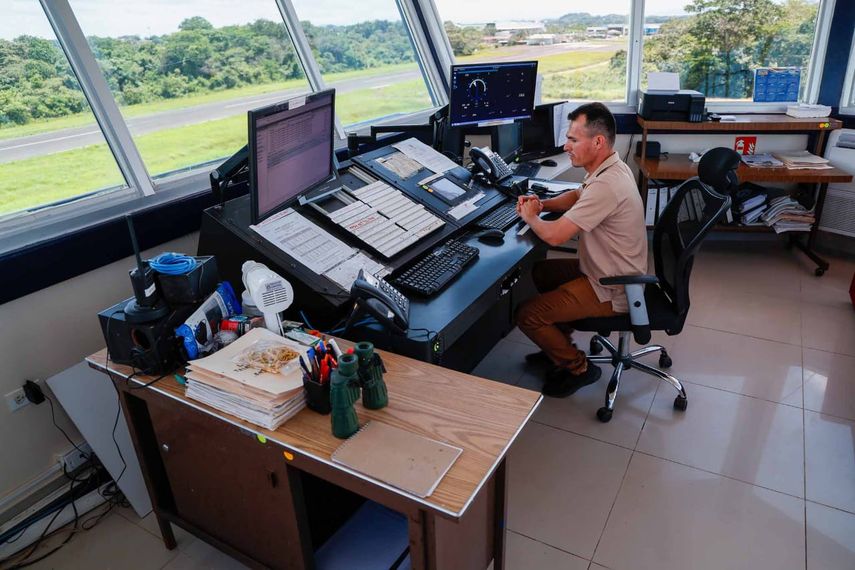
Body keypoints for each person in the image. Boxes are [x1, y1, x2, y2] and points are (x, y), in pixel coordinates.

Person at [515, 102, 647, 398]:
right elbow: (577, 195)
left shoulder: (607, 185)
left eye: (573, 140)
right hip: (607, 269)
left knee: (528, 315)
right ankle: (556, 348)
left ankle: (578, 367)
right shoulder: (609, 166)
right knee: (541, 272)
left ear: (597, 142)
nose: (566, 146)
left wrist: (530, 217)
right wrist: (542, 204)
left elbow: (554, 237)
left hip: (613, 287)